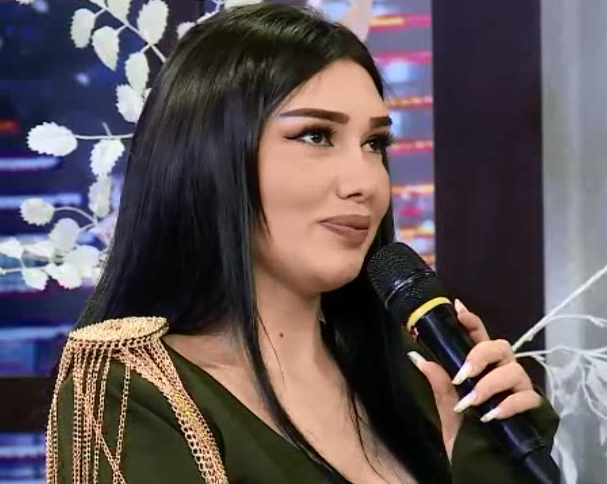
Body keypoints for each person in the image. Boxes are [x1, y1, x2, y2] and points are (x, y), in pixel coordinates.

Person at [46, 4, 559, 484]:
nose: (364, 182)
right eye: (316, 136)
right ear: (207, 157)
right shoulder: (130, 391)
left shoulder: (419, 375)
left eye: (375, 143)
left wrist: (494, 458)